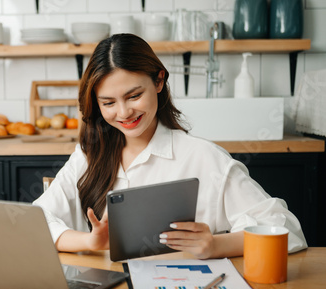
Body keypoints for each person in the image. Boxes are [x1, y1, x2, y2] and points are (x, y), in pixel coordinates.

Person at [33, 33, 307, 259]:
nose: (124, 112)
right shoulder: (89, 155)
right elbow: (37, 221)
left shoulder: (203, 157)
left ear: (159, 81)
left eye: (134, 95)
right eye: (108, 103)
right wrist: (89, 242)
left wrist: (216, 245)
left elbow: (286, 230)